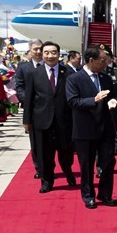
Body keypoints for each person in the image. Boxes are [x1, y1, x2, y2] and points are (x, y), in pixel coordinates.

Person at [66, 45, 117, 209]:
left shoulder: (105, 78)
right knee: (87, 165)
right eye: (102, 60)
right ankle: (88, 195)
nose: (105, 63)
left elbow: (113, 95)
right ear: (91, 60)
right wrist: (93, 100)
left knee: (108, 162)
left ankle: (105, 193)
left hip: (105, 127)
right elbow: (72, 101)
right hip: (85, 128)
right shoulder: (74, 79)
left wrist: (113, 101)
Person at [22, 41, 76, 193]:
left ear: (59, 54)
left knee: (66, 152)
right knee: (44, 153)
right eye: (46, 53)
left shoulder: (68, 73)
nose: (50, 56)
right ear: (42, 54)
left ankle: (68, 172)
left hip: (64, 121)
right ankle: (47, 181)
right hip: (41, 120)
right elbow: (29, 98)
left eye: (53, 52)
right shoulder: (34, 73)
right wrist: (26, 120)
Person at [15, 38, 43, 178]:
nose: (38, 52)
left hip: (49, 108)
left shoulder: (51, 66)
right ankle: (39, 168)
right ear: (30, 51)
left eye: (40, 49)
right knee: (35, 141)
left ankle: (49, 165)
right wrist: (28, 100)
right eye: (35, 49)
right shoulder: (23, 68)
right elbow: (19, 87)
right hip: (32, 110)